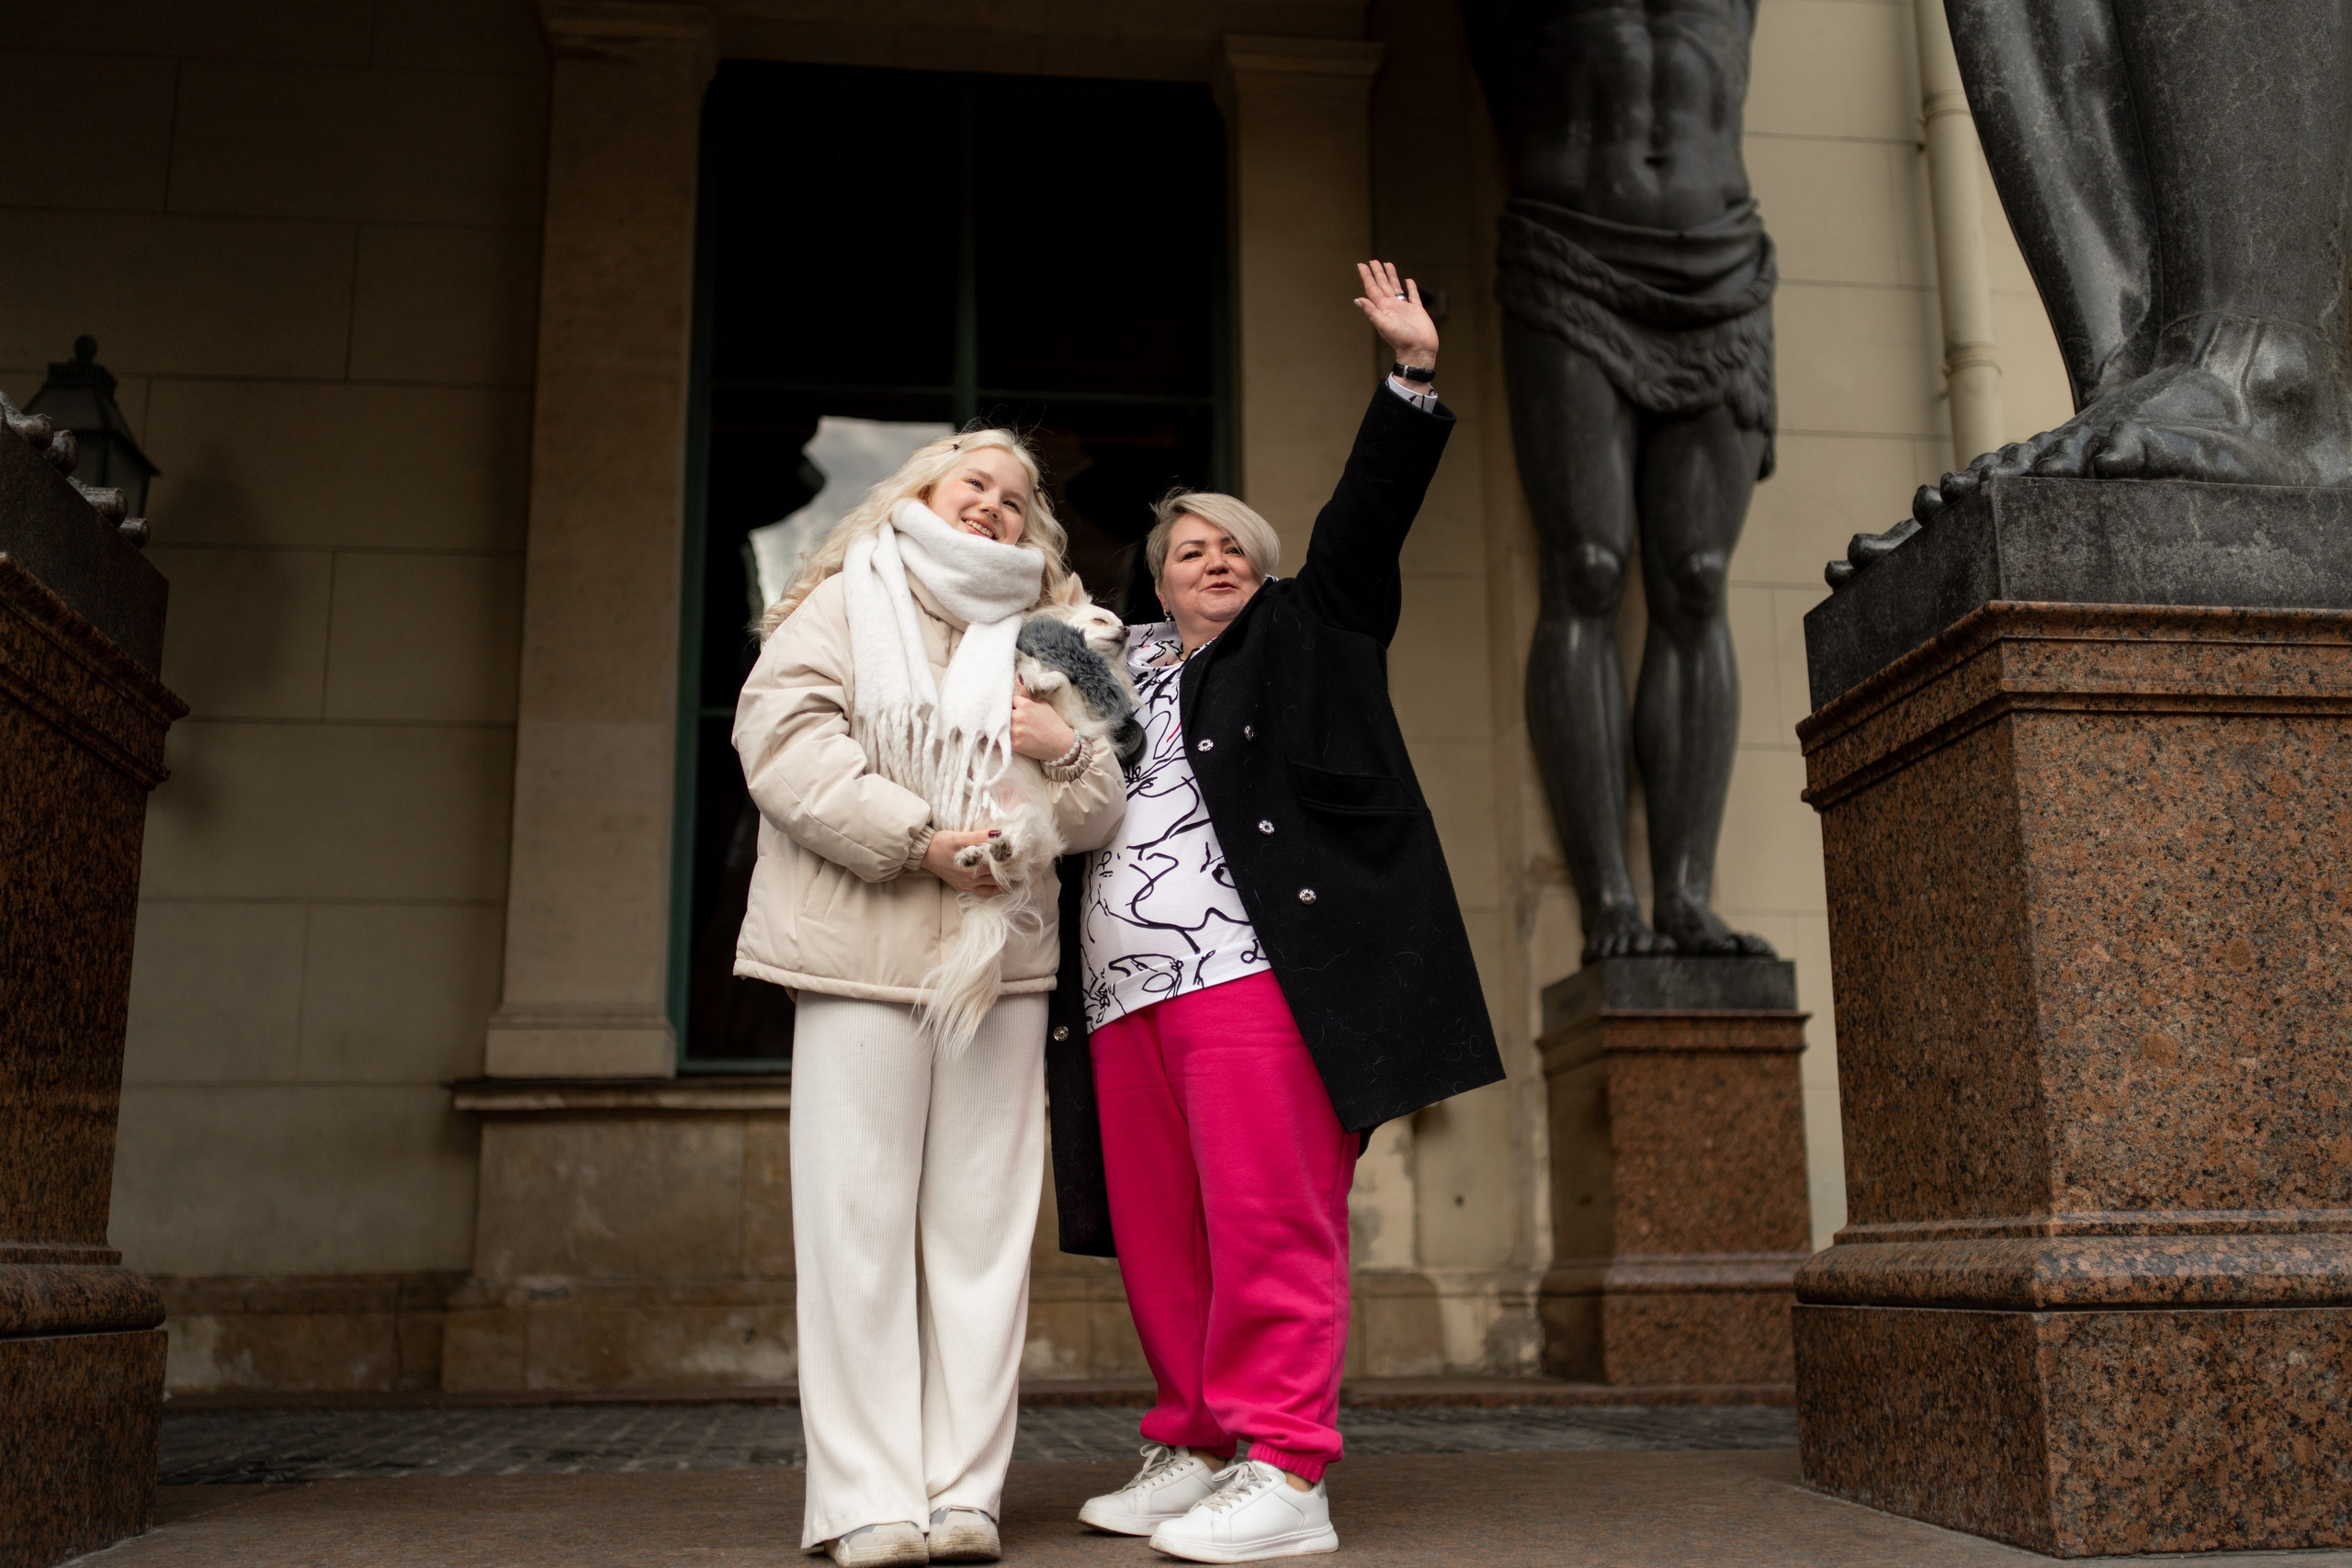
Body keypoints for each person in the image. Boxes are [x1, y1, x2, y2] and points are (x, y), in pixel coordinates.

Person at [1048, 263, 1507, 1563]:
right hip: (1119, 991)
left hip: (1257, 976)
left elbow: (1366, 517)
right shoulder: (1110, 658)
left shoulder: (1314, 627)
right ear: (1155, 575)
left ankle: (1286, 1465)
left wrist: (1409, 379)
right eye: (1190, 548)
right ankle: (1194, 1441)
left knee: (1265, 1220)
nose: (1216, 559)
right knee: (1161, 1234)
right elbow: (1012, 639)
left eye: (1235, 545)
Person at [732, 428, 1126, 1567]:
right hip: (859, 946)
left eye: (1016, 499)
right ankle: (866, 1500)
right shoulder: (840, 601)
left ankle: (963, 1495)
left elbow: (1107, 789)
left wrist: (1060, 744)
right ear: (919, 494)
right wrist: (916, 842)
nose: (995, 510)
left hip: (998, 962)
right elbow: (782, 740)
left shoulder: (1068, 631)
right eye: (975, 488)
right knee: (855, 1227)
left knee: (980, 1238)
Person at [1466, 0, 1779, 962]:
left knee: (1695, 578)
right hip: (1571, 250)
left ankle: (1686, 892)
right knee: (1590, 567)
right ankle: (1609, 900)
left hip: (1721, 256)